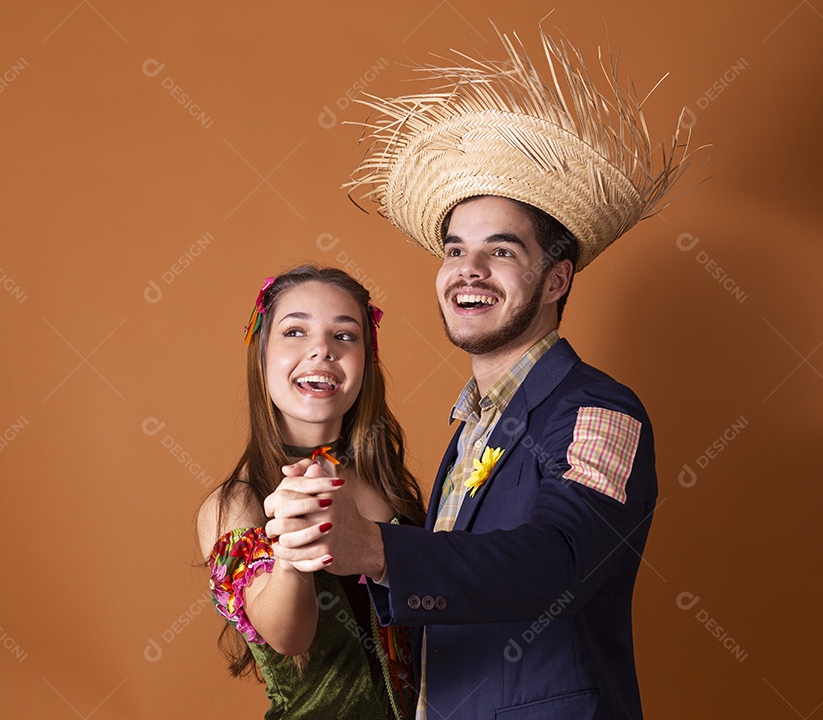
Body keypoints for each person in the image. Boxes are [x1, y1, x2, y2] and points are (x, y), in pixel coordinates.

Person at [263, 27, 696, 720]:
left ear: (556, 279)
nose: (468, 271)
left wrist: (374, 546)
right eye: (455, 249)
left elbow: (557, 562)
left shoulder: (600, 414)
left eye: (500, 252)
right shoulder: (470, 428)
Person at [197, 265, 424, 719]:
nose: (321, 349)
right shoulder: (235, 503)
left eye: (345, 336)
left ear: (367, 362)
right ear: (261, 355)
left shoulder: (389, 485)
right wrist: (291, 548)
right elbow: (288, 637)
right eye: (295, 331)